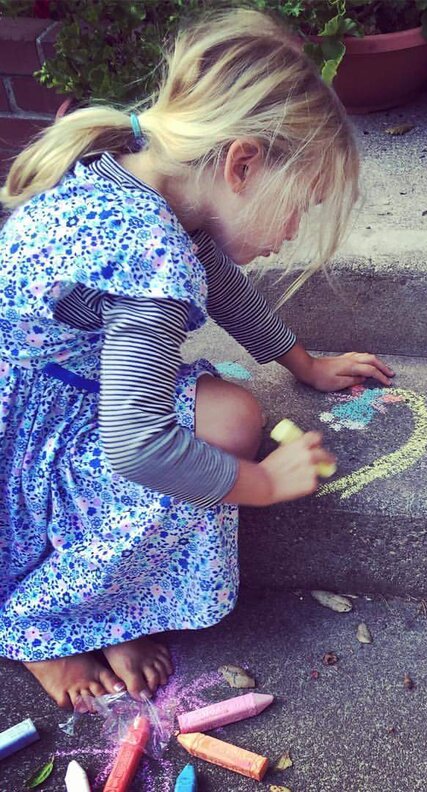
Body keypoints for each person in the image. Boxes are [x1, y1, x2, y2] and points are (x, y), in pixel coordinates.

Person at [0, 8, 393, 709]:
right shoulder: (152, 250)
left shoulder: (138, 171)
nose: (293, 231)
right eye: (300, 206)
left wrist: (303, 364)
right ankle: (40, 630)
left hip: (48, 394)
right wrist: (263, 484)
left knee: (224, 411)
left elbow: (226, 287)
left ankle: (113, 609)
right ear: (242, 164)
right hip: (22, 450)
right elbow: (136, 446)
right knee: (227, 427)